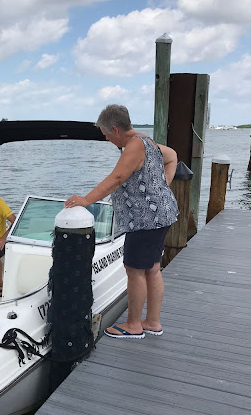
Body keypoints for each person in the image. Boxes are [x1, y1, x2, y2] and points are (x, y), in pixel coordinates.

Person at [65, 104, 178, 339]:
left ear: (115, 129)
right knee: (152, 269)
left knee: (135, 270)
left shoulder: (135, 145)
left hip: (145, 220)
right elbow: (172, 157)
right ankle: (152, 322)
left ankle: (134, 325)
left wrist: (86, 200)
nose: (107, 139)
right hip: (160, 215)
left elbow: (117, 178)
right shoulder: (147, 141)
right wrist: (161, 187)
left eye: (106, 134)